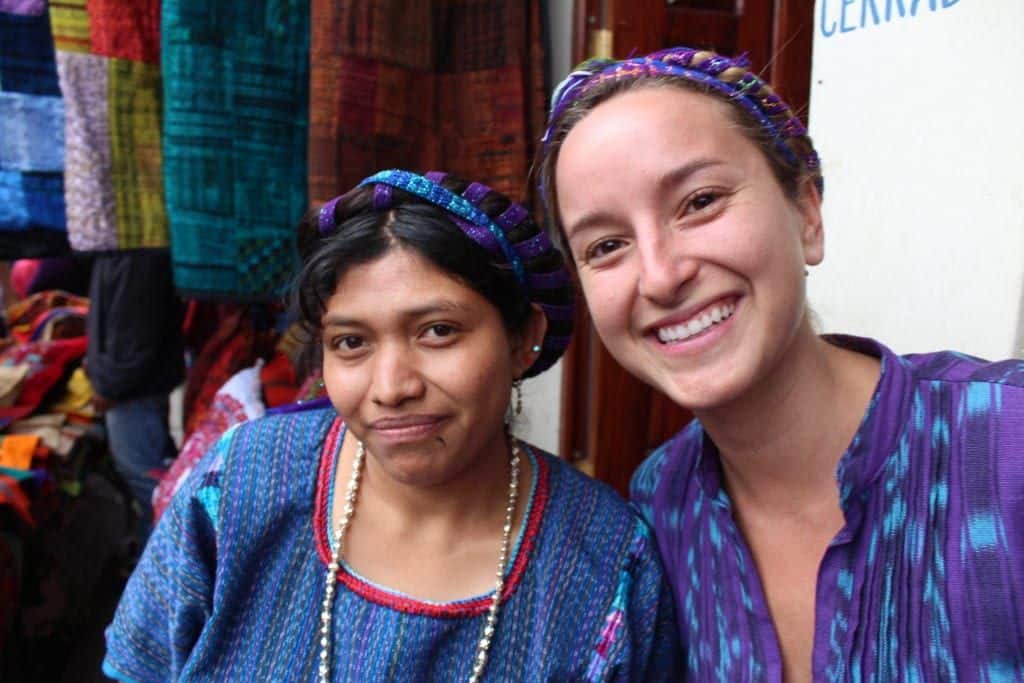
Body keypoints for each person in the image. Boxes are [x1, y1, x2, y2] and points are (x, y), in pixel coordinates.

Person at [538, 47, 1024, 682]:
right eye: (606, 246)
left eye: (700, 201)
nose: (659, 277)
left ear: (807, 214)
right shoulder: (660, 508)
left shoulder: (1003, 445)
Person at [102, 169, 681, 681]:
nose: (391, 387)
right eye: (351, 343)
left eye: (437, 331)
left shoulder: (607, 565)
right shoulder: (241, 486)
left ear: (522, 338)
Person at [86, 249, 184, 541]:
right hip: (132, 388)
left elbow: (134, 345)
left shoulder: (137, 258)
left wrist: (108, 387)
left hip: (132, 393)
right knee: (149, 481)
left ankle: (162, 569)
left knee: (149, 487)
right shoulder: (120, 253)